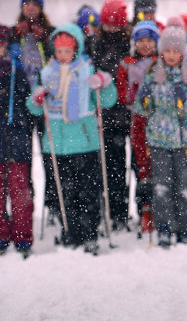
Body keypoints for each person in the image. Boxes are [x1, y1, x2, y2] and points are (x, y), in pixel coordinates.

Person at [26, 23, 118, 254]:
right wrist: (36, 98)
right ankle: (71, 230)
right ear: (53, 51)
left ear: (76, 50)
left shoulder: (87, 70)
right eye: (59, 51)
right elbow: (35, 109)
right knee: (64, 192)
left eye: (68, 51)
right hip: (56, 144)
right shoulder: (46, 74)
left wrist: (105, 84)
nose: (64, 56)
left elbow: (107, 101)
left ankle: (89, 234)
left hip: (85, 142)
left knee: (88, 190)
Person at [133, 26, 187, 247]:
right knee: (161, 187)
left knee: (185, 187)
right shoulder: (153, 74)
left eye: (176, 51)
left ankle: (184, 229)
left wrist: (186, 102)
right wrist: (144, 97)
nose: (172, 55)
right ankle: (164, 228)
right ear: (162, 52)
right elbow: (140, 108)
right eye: (168, 51)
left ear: (182, 52)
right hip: (159, 140)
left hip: (184, 141)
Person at [87, 0, 134, 229]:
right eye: (107, 26)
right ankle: (114, 211)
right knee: (111, 167)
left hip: (129, 112)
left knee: (132, 166)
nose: (111, 30)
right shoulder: (95, 43)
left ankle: (125, 211)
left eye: (116, 26)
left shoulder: (131, 41)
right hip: (105, 113)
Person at [116, 20, 160, 234]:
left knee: (158, 166)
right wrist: (130, 95)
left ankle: (159, 210)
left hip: (159, 120)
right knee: (141, 166)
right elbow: (121, 90)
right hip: (137, 121)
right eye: (141, 40)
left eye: (149, 40)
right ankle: (144, 209)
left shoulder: (160, 62)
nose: (145, 44)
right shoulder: (127, 63)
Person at [0, 32, 34, 257]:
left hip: (16, 139)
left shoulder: (15, 70)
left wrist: (18, 69)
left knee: (19, 191)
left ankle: (22, 234)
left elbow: (26, 99)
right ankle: (2, 233)